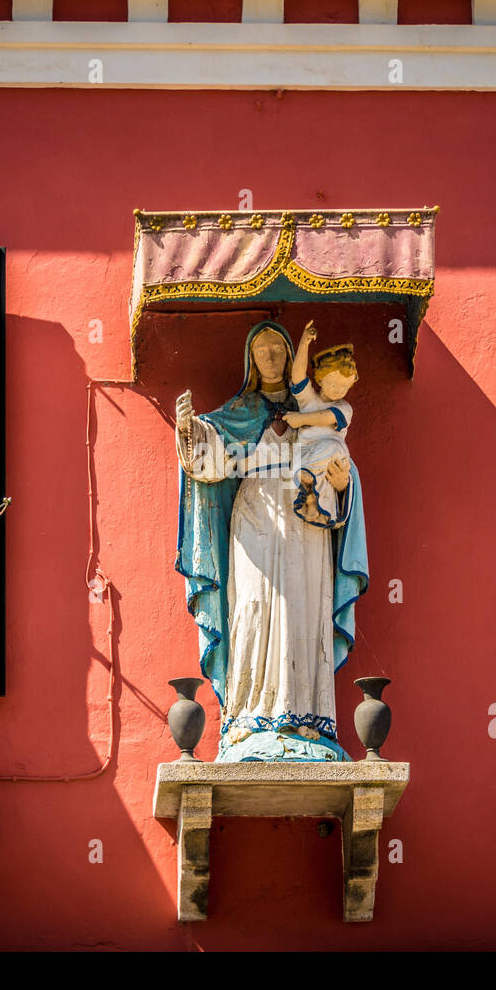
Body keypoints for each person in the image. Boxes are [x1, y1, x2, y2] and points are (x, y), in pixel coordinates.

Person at [174, 320, 369, 762]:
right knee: (252, 606)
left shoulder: (314, 404)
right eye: (261, 349)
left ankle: (306, 719)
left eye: (277, 348)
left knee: (303, 606)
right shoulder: (237, 412)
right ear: (250, 358)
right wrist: (189, 431)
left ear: (289, 355)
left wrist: (341, 485)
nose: (270, 356)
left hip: (305, 517)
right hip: (254, 511)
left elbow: (340, 459)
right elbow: (210, 463)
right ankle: (249, 718)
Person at [284, 320, 357, 527]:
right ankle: (313, 506)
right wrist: (304, 342)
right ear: (320, 379)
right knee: (316, 489)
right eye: (334, 383)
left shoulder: (344, 408)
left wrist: (301, 420)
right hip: (305, 457)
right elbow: (297, 377)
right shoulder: (308, 400)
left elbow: (327, 416)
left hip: (330, 458)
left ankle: (315, 499)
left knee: (330, 447)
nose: (338, 390)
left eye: (344, 386)